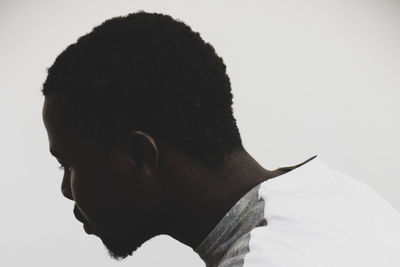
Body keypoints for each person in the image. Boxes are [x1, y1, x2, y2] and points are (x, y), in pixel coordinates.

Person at [41, 11, 400, 267]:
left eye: (69, 164)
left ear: (138, 157)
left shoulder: (265, 259)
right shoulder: (343, 197)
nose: (66, 190)